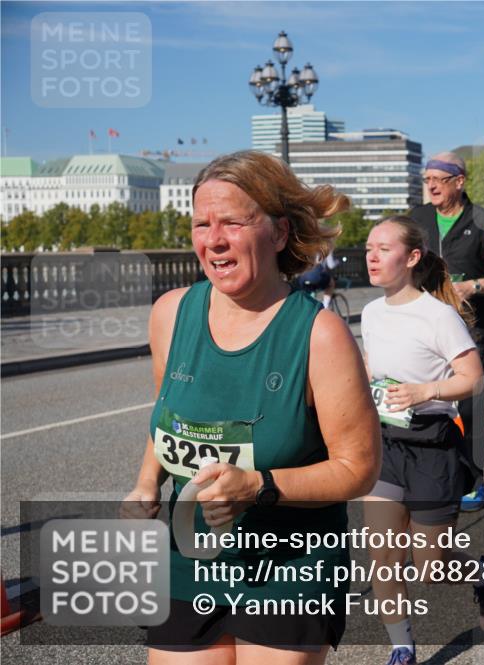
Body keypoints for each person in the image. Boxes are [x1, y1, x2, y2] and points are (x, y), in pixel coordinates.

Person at [122, 151, 381, 663]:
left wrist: (260, 487)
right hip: (187, 559)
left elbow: (360, 469)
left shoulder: (319, 334)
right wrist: (146, 482)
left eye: (233, 223)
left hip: (290, 567)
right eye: (201, 224)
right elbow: (168, 412)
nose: (213, 239)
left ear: (279, 234)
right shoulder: (171, 314)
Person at [361, 216, 484, 665]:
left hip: (432, 446)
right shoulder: (370, 313)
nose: (371, 255)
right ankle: (402, 649)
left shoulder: (438, 315)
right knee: (382, 557)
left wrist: (426, 391)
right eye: (369, 247)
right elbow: (371, 369)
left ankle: (483, 572)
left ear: (411, 258)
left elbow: (472, 379)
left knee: (431, 566)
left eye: (384, 249)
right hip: (385, 445)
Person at [409, 152, 484, 512]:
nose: (431, 186)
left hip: (474, 330)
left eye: (438, 179)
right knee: (424, 402)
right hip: (425, 328)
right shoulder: (418, 218)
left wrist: (473, 286)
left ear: (459, 182)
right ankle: (428, 476)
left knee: (468, 407)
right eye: (427, 179)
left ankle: (473, 481)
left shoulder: (482, 220)